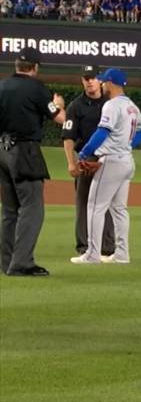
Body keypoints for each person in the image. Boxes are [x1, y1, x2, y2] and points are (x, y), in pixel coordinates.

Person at [70, 68, 141, 265]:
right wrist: (129, 143)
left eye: (104, 81)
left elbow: (102, 132)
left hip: (112, 161)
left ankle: (92, 254)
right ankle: (122, 253)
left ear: (111, 83)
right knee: (119, 208)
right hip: (126, 161)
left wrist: (84, 152)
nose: (102, 84)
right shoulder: (131, 105)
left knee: (95, 206)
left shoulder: (111, 106)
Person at [0, 47, 65, 276]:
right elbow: (60, 119)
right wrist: (59, 105)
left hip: (3, 150)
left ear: (16, 65)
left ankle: (6, 262)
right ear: (35, 67)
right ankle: (22, 263)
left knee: (9, 210)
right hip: (25, 151)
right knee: (32, 208)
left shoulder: (3, 86)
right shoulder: (36, 88)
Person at [61, 65, 115, 259]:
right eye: (86, 78)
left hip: (108, 158)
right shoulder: (76, 106)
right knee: (83, 203)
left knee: (107, 202)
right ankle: (84, 246)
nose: (90, 81)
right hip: (85, 159)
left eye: (92, 77)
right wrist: (71, 162)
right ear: (82, 80)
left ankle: (108, 248)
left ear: (99, 79)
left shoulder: (111, 102)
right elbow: (67, 136)